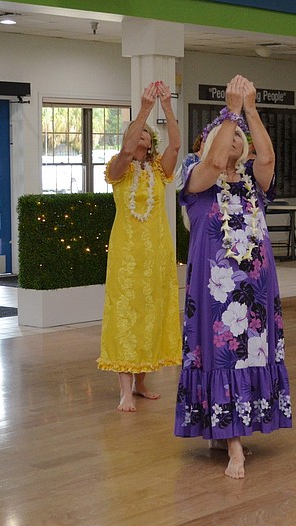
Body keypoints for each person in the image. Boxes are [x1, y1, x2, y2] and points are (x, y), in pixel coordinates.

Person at [174, 75, 292, 479]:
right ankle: (233, 445)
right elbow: (212, 163)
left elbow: (268, 159)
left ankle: (228, 431)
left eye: (241, 138)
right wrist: (232, 112)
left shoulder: (253, 184)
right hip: (216, 290)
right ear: (214, 142)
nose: (236, 141)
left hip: (255, 289)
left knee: (252, 354)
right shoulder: (197, 181)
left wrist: (252, 112)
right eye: (229, 136)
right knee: (222, 354)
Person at [98, 81, 181, 412]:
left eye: (146, 132)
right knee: (125, 313)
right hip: (126, 254)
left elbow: (176, 145)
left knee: (151, 314)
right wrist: (144, 109)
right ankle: (124, 390)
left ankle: (142, 383)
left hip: (157, 252)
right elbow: (126, 151)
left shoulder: (159, 170)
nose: (142, 134)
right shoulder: (118, 169)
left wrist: (168, 107)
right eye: (137, 132)